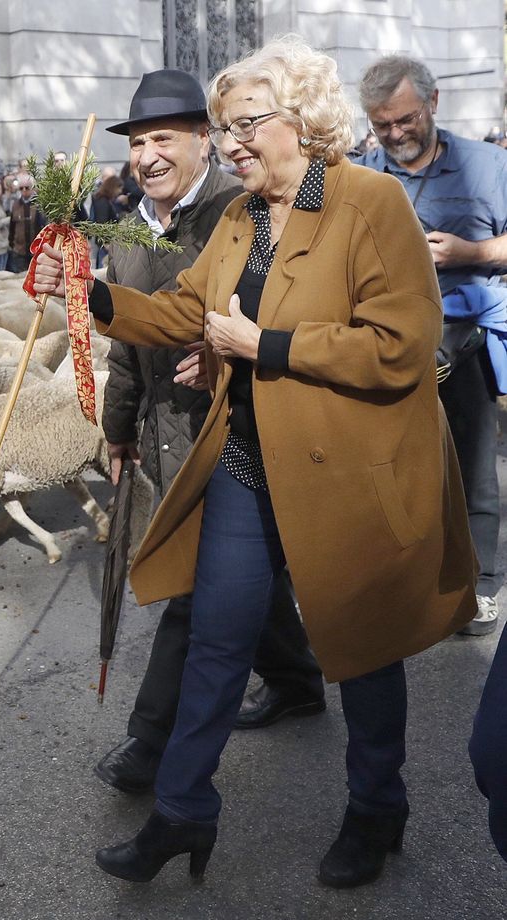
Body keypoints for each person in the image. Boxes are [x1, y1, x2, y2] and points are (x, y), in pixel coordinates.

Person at [33, 35, 476, 889]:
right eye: (225, 127)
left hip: (348, 467)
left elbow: (402, 345)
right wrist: (88, 295)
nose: (231, 142)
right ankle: (181, 812)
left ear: (303, 121)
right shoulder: (238, 219)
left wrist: (265, 343)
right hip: (246, 459)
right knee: (215, 638)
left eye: (246, 124)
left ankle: (376, 807)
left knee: (364, 645)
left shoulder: (368, 201)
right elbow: (178, 311)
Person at [91, 68, 323, 799]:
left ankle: (151, 745)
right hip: (163, 426)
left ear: (202, 143)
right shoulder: (128, 229)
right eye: (137, 143)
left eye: (164, 138)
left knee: (198, 586)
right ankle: (294, 677)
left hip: (236, 425)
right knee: (240, 576)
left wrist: (229, 346)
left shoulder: (241, 209)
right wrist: (119, 424)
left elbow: (288, 307)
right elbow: (132, 341)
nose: (147, 156)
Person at [355, 55, 507, 638]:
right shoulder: (363, 178)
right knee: (385, 472)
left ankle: (479, 585)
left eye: (405, 119)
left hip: (462, 346)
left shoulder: (489, 167)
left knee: (472, 470)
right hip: (383, 346)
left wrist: (471, 254)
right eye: (382, 124)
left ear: (434, 103)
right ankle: (397, 583)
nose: (394, 134)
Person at [7, 175, 46, 273]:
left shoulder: (39, 204)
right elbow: (12, 226)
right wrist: (11, 244)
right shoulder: (15, 205)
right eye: (21, 188)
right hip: (19, 250)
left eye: (27, 187)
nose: (24, 190)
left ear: (32, 188)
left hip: (36, 250)